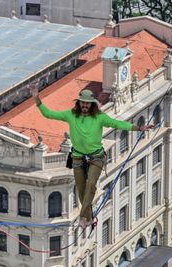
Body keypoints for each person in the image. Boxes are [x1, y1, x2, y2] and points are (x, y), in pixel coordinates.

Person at [31, 85, 154, 228]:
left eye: (87, 103)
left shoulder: (99, 117)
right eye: (82, 102)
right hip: (77, 158)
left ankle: (82, 217)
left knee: (91, 185)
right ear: (79, 103)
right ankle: (89, 218)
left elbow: (117, 123)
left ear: (91, 104)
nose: (84, 105)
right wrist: (36, 98)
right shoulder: (71, 115)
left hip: (96, 157)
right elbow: (48, 114)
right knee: (82, 192)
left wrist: (138, 128)